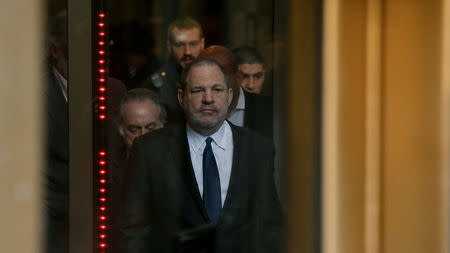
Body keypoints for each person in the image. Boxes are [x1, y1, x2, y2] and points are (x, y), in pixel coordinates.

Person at [121, 58, 283, 253]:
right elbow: (134, 231)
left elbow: (269, 227)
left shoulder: (258, 149)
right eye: (198, 90)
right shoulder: (150, 150)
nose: (208, 98)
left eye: (217, 90)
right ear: (181, 97)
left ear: (230, 96)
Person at [111, 88, 167, 253]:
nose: (143, 137)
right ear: (121, 130)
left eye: (151, 128)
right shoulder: (108, 176)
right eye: (134, 130)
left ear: (163, 126)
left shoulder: (183, 168)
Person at [143, 17, 205, 122]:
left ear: (202, 44)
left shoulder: (215, 77)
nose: (187, 52)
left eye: (193, 44)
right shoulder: (157, 85)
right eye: (180, 45)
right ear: (169, 46)